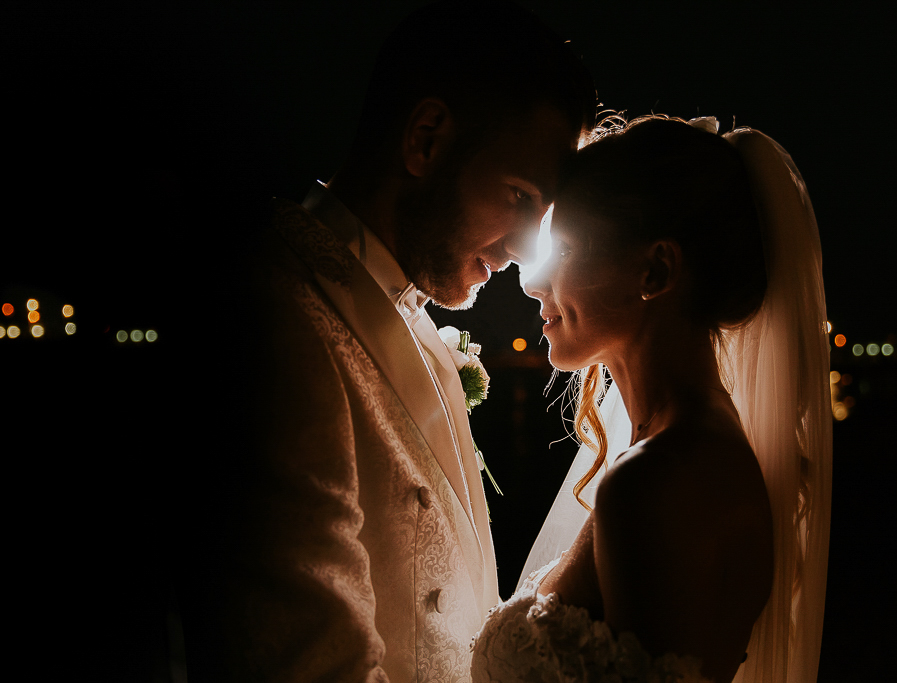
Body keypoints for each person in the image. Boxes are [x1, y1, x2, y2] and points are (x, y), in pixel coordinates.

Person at [177, 3, 595, 682]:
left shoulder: (419, 322)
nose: (524, 250)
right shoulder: (277, 316)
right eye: (518, 195)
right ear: (426, 140)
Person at [471, 116, 832, 683]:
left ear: (656, 268)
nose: (531, 284)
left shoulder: (656, 482)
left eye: (563, 250)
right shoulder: (687, 451)